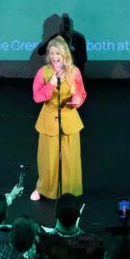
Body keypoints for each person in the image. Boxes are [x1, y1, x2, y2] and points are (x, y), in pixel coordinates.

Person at [31, 35, 87, 201]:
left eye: (59, 54)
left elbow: (81, 93)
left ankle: (69, 190)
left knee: (70, 159)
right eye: (52, 53)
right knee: (48, 158)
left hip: (69, 120)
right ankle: (43, 188)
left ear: (65, 56)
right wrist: (51, 84)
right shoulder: (44, 72)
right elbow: (37, 97)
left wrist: (77, 100)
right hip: (49, 121)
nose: (55, 57)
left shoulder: (74, 72)